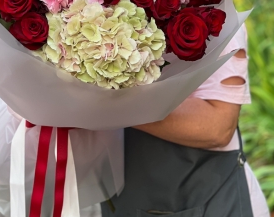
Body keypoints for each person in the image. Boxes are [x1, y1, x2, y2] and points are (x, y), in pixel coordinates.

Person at [99, 23, 270, 217]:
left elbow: (218, 127)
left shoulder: (214, 12)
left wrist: (106, 102)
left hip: (203, 199)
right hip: (126, 196)